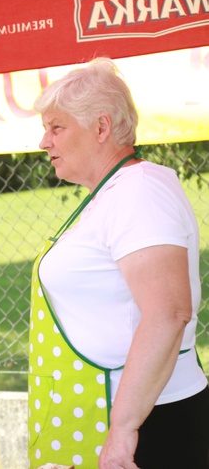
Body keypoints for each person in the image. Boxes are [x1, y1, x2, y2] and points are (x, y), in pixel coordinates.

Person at [28, 58, 208, 469]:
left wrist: (124, 430)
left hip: (148, 422)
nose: (44, 141)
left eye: (56, 127)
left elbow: (168, 312)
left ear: (101, 128)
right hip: (109, 413)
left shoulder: (139, 192)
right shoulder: (112, 193)